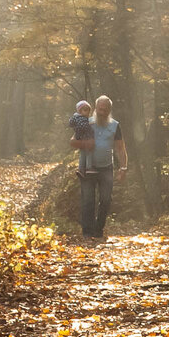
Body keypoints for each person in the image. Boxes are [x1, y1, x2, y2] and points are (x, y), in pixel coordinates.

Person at [69, 95, 128, 240]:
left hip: (106, 168)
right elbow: (72, 142)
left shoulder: (115, 125)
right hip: (88, 168)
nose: (102, 112)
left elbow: (120, 148)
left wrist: (123, 168)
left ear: (109, 110)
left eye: (105, 109)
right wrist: (85, 144)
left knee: (106, 199)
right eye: (100, 109)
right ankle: (87, 233)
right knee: (88, 199)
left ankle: (98, 230)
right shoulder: (86, 123)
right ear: (96, 108)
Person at [67, 100, 94, 176]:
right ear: (80, 111)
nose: (87, 112)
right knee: (88, 151)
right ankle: (89, 167)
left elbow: (71, 124)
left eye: (88, 110)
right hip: (85, 137)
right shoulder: (81, 118)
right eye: (85, 110)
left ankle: (81, 169)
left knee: (83, 153)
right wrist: (89, 127)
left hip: (80, 136)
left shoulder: (76, 117)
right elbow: (83, 126)